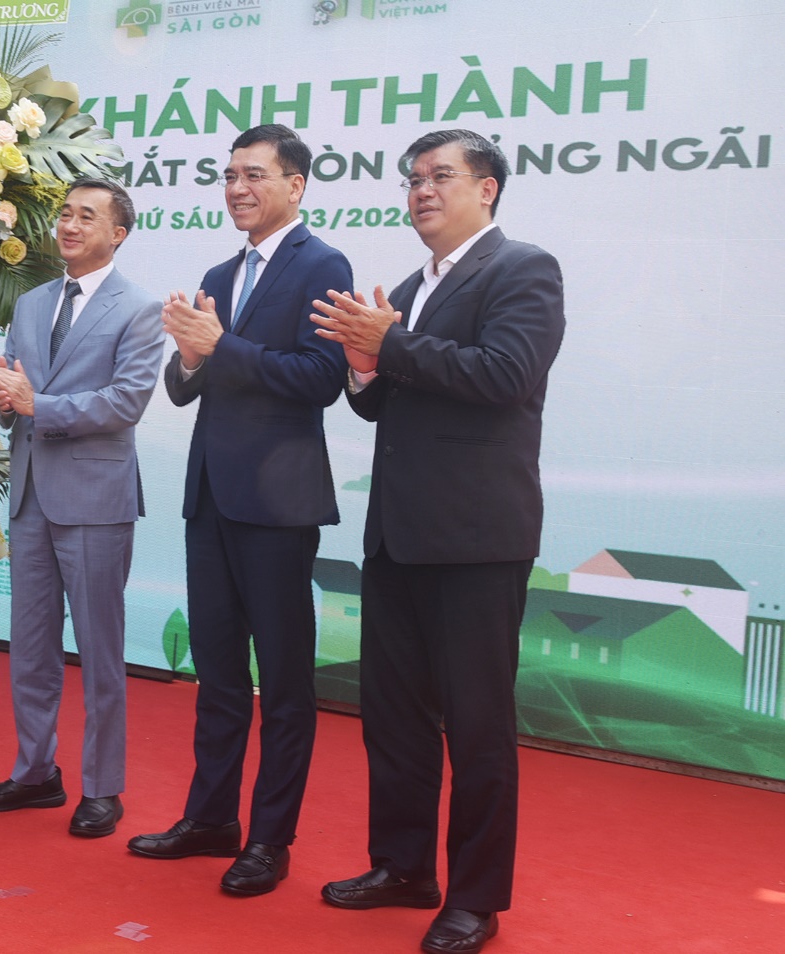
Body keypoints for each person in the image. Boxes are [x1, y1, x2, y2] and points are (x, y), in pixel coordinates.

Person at [311, 129, 565, 954]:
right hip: (397, 534)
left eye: (439, 176)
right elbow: (380, 404)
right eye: (412, 179)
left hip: (476, 539)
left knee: (478, 727)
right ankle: (402, 868)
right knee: (393, 717)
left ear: (485, 189)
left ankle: (475, 898)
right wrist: (362, 364)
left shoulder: (522, 269)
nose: (420, 190)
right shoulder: (409, 290)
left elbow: (504, 375)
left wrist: (388, 343)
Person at [127, 124, 351, 895]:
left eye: (253, 174)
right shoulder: (218, 273)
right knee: (218, 675)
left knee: (282, 684)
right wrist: (191, 356)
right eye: (228, 175)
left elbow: (320, 377)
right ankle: (210, 819)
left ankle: (268, 840)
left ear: (295, 185)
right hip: (211, 500)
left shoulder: (323, 264)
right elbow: (184, 385)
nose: (236, 188)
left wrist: (221, 346)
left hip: (278, 507)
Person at [0, 178, 164, 839]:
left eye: (87, 216)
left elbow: (125, 402)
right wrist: (3, 397)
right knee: (30, 647)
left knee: (101, 653)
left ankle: (102, 788)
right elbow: (10, 383)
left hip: (95, 500)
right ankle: (34, 773)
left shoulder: (139, 309)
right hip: (29, 494)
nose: (70, 225)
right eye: (65, 214)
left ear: (118, 234)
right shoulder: (31, 301)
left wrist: (36, 404)